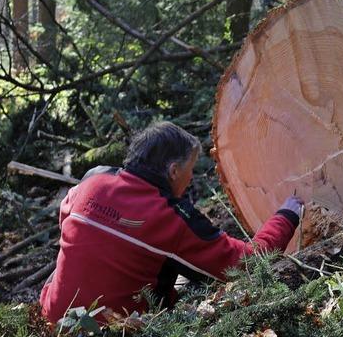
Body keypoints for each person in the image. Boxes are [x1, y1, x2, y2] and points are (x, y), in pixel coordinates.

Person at [39, 121, 303, 323]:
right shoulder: (169, 218)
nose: (190, 178)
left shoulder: (92, 181)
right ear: (174, 170)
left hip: (52, 317)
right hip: (113, 334)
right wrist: (288, 215)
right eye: (191, 169)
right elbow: (245, 264)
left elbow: (69, 224)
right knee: (194, 284)